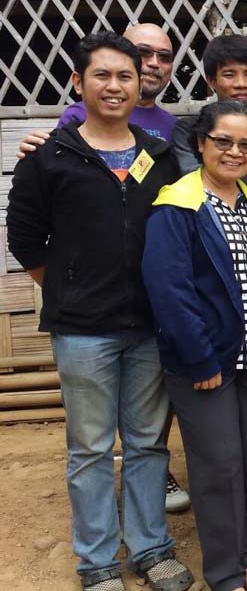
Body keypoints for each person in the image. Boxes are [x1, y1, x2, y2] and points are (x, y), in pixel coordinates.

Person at [6, 32, 195, 591]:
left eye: (125, 77)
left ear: (141, 86)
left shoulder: (159, 157)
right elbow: (25, 237)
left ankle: (150, 548)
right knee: (89, 448)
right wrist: (66, 287)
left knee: (147, 443)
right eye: (102, 76)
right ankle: (96, 562)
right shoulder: (50, 158)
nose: (114, 86)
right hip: (83, 331)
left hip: (147, 326)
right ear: (77, 83)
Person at [142, 101, 247, 591]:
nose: (234, 151)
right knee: (218, 464)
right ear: (201, 143)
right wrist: (200, 357)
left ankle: (245, 555)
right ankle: (225, 573)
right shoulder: (177, 205)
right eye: (223, 140)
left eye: (246, 144)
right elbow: (169, 290)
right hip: (207, 360)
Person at [173, 34, 247, 185]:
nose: (241, 83)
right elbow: (195, 179)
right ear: (211, 80)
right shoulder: (190, 130)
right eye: (229, 75)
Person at [54, 24, 178, 140]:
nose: (154, 63)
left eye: (164, 57)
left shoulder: (176, 128)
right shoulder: (80, 115)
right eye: (143, 52)